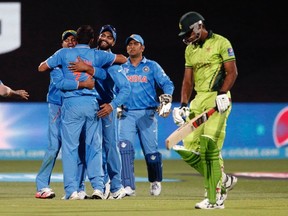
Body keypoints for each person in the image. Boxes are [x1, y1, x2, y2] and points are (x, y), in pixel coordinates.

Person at [38, 25, 127, 200]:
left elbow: (41, 68)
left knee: (71, 149)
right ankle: (98, 188)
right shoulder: (97, 55)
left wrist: (61, 65)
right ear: (93, 40)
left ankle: (72, 191)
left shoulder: (62, 54)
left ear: (76, 39)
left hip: (71, 104)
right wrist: (90, 69)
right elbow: (123, 59)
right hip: (92, 104)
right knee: (94, 147)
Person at [172, 11, 238, 209]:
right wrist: (183, 105)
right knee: (190, 147)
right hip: (198, 100)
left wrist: (223, 93)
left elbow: (232, 72)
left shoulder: (221, 42)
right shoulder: (190, 50)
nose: (186, 38)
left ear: (199, 26)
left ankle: (216, 197)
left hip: (217, 98)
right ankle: (223, 179)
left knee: (210, 146)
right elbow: (187, 80)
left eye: (188, 33)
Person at [68, 25, 131, 200]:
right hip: (86, 105)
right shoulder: (90, 55)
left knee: (110, 147)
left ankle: (115, 187)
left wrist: (112, 105)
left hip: (105, 108)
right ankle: (81, 189)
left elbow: (126, 88)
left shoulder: (112, 62)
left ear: (114, 42)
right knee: (83, 147)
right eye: (103, 35)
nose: (105, 38)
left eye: (109, 37)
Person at [35, 30, 96, 199]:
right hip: (58, 105)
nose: (70, 42)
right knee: (54, 146)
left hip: (75, 105)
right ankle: (42, 186)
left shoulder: (80, 62)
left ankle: (78, 187)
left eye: (73, 40)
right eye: (66, 40)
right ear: (61, 44)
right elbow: (46, 71)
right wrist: (83, 84)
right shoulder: (58, 59)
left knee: (80, 146)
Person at [118, 34, 174, 196]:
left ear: (142, 48)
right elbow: (115, 87)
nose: (132, 47)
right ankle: (128, 186)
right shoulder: (122, 67)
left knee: (151, 154)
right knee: (124, 149)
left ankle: (155, 181)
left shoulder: (152, 66)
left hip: (147, 114)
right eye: (129, 44)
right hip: (126, 114)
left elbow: (167, 83)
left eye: (136, 44)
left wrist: (167, 97)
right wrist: (116, 103)